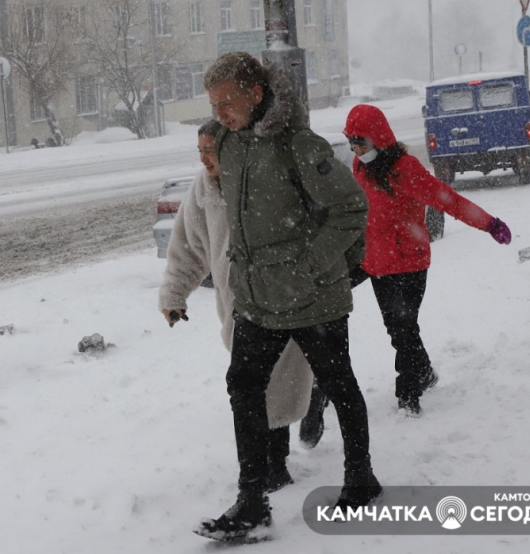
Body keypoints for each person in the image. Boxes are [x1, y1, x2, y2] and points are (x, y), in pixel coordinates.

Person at [195, 52, 379, 542]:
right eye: (213, 104)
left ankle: (360, 479)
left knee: (339, 384)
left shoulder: (298, 144)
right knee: (244, 386)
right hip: (257, 300)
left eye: (227, 102)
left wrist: (309, 267)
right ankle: (252, 499)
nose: (220, 112)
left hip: (313, 298)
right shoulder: (229, 145)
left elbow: (350, 208)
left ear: (256, 95)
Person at [299, 104, 512, 444]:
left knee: (402, 327)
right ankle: (416, 372)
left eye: (362, 145)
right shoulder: (360, 166)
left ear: (380, 140)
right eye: (353, 145)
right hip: (372, 260)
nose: (356, 152)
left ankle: (408, 393)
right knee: (363, 315)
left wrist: (489, 223)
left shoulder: (406, 169)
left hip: (407, 263)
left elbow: (449, 200)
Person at [158, 120, 314, 496]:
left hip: (283, 297)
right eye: (199, 151)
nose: (204, 158)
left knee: (277, 378)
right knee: (254, 385)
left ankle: (272, 467)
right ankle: (267, 467)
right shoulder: (204, 189)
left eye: (210, 150)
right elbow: (190, 246)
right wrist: (174, 294)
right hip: (236, 303)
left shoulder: (261, 178)